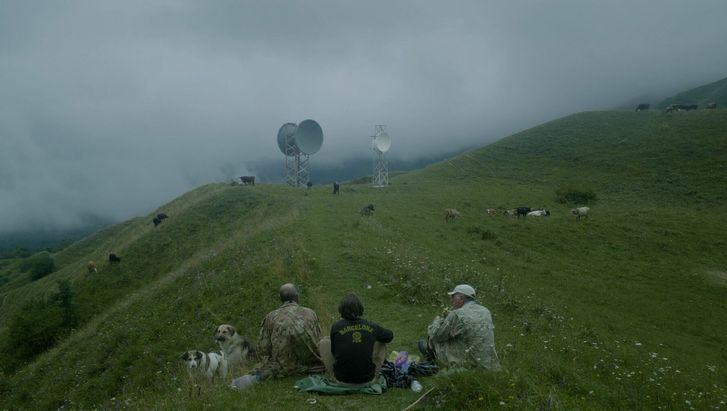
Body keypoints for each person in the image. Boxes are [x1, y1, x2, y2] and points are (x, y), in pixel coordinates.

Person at [419, 284, 501, 370]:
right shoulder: (486, 311)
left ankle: (430, 361)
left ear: (461, 298)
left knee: (432, 338)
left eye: (453, 297)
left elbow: (438, 336)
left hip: (468, 362)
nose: (451, 301)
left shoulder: (457, 314)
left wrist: (438, 320)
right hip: (488, 362)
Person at [319, 293, 394, 385]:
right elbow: (389, 336)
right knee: (381, 342)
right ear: (360, 309)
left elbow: (334, 352)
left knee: (324, 342)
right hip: (368, 380)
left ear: (341, 310)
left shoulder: (336, 326)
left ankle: (335, 374)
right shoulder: (371, 326)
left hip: (341, 380)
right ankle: (374, 373)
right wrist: (371, 337)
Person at [256, 283, 325, 378]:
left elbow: (263, 348)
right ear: (297, 297)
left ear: (280, 298)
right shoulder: (310, 313)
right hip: (313, 366)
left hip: (283, 369)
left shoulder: (271, 317)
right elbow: (318, 339)